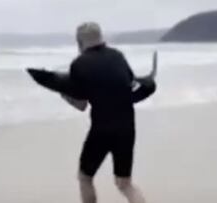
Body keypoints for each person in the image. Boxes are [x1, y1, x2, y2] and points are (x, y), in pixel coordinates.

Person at [62, 22, 153, 203]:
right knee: (125, 184)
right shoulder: (118, 56)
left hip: (102, 129)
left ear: (80, 42)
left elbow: (81, 105)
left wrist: (63, 92)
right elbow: (129, 86)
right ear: (100, 37)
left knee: (85, 177)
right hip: (127, 127)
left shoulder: (79, 64)